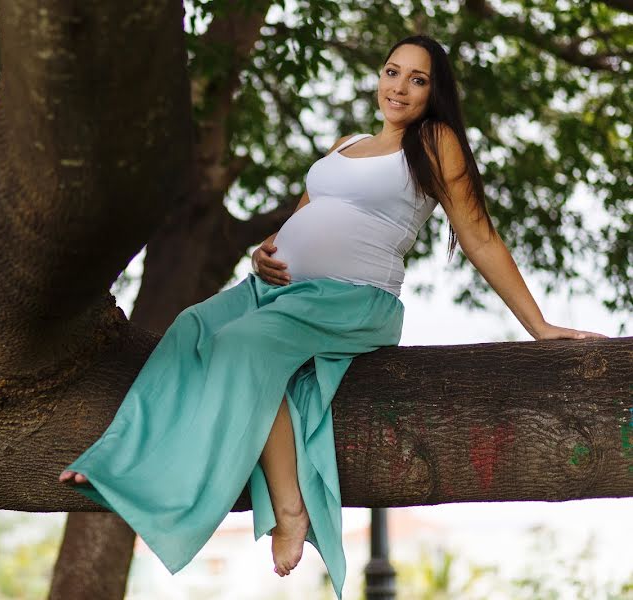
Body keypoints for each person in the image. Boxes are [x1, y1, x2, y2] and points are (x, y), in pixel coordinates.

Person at [58, 34, 606, 597]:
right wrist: (264, 251)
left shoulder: (434, 142)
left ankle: (290, 510)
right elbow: (301, 221)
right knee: (189, 327)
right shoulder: (347, 144)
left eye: (417, 79)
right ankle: (115, 461)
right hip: (278, 294)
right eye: (393, 72)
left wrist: (538, 326)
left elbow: (480, 238)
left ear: (433, 92)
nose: (399, 87)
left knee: (239, 347)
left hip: (353, 300)